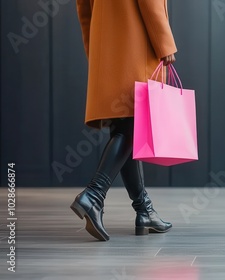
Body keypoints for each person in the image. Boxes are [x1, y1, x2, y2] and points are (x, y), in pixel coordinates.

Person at [71, 0, 177, 241]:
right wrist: (164, 41)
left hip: (108, 45)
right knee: (132, 125)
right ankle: (93, 196)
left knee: (127, 125)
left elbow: (83, 8)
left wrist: (95, 51)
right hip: (136, 41)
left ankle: (144, 210)